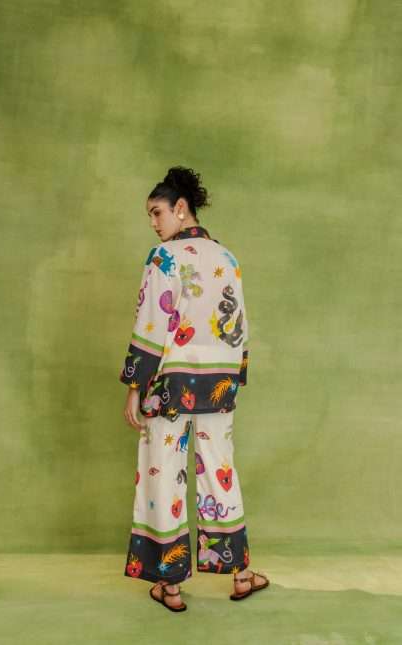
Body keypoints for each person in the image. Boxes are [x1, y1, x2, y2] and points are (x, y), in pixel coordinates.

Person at [120, 166, 269, 612]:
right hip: (218, 387)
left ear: (180, 208)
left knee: (162, 473)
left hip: (169, 387)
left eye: (157, 212)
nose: (153, 222)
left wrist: (135, 385)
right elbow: (238, 324)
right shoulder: (228, 258)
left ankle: (170, 586)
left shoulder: (163, 258)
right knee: (220, 471)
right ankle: (241, 575)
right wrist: (235, 378)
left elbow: (151, 322)